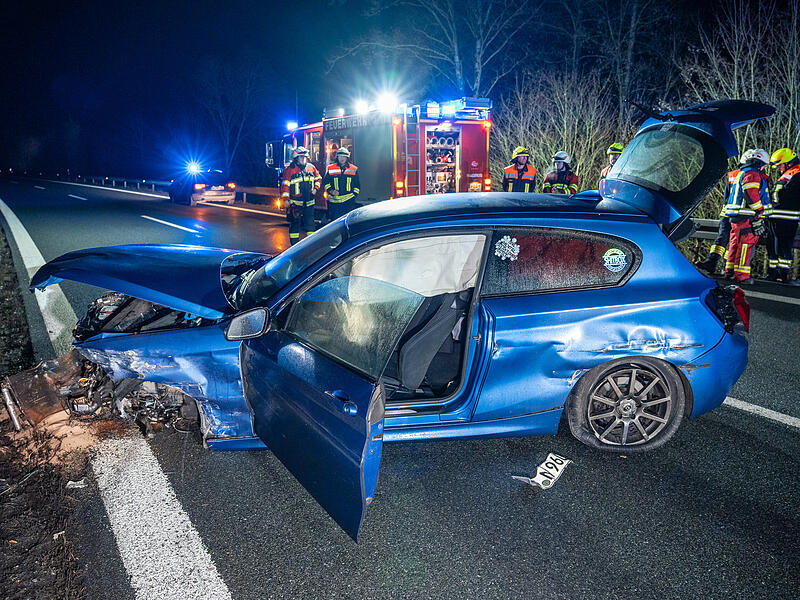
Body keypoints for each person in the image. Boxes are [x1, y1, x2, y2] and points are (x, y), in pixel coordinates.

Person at [697, 150, 754, 275]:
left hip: (726, 212)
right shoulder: (755, 176)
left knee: (722, 239)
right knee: (733, 241)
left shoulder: (732, 175)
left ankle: (712, 262)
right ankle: (725, 267)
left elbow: (726, 196)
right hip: (741, 215)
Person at [723, 149, 771, 283]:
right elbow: (750, 193)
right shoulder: (752, 174)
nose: (763, 168)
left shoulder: (743, 172)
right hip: (747, 216)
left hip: (737, 216)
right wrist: (760, 210)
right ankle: (742, 276)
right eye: (763, 165)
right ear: (758, 163)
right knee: (745, 246)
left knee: (734, 244)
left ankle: (730, 272)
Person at [768, 148, 800, 284]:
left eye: (780, 165)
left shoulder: (797, 175)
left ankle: (783, 275)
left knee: (784, 247)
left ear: (787, 163)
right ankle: (773, 274)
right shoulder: (789, 173)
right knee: (775, 246)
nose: (778, 169)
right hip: (778, 216)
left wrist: (771, 196)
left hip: (786, 217)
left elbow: (784, 195)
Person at [281, 147, 321, 245]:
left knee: (310, 225)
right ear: (296, 158)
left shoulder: (311, 167)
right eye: (301, 157)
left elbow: (319, 178)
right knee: (295, 225)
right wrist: (286, 200)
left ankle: (310, 245)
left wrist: (316, 188)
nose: (303, 159)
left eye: (305, 157)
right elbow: (285, 186)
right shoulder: (290, 170)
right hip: (295, 203)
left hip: (309, 202)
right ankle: (294, 246)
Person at [323, 147, 360, 222]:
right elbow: (325, 182)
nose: (342, 158)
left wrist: (354, 196)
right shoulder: (331, 168)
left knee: (348, 223)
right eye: (340, 156)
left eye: (344, 156)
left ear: (347, 157)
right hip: (335, 203)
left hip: (348, 202)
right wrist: (331, 191)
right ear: (337, 157)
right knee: (335, 224)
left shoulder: (354, 169)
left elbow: (357, 185)